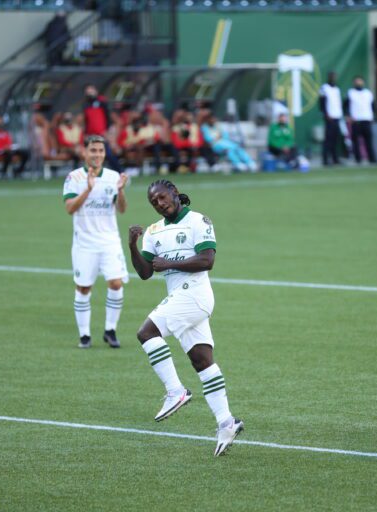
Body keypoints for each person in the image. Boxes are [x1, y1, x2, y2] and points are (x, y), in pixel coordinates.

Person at [128, 179, 244, 456]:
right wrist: (132, 244)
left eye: (162, 197)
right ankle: (227, 422)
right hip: (182, 298)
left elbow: (207, 260)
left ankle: (175, 391)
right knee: (202, 361)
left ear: (175, 194)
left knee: (146, 333)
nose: (159, 204)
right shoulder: (154, 231)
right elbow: (145, 272)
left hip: (195, 294)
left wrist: (169, 263)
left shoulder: (198, 221)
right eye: (153, 202)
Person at [63, 135, 129, 349]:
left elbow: (122, 209)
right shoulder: (73, 178)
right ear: (85, 152)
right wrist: (88, 189)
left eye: (101, 151)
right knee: (83, 288)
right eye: (93, 150)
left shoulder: (112, 177)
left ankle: (110, 330)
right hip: (84, 243)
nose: (97, 155)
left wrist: (120, 191)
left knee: (116, 283)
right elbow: (70, 208)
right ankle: (84, 335)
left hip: (109, 240)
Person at [83, 84, 121, 171]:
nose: (90, 93)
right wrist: (86, 133)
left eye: (91, 91)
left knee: (108, 154)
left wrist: (107, 131)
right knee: (91, 155)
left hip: (102, 134)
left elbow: (107, 117)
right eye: (88, 92)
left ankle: (120, 171)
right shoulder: (85, 105)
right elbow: (87, 121)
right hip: (91, 135)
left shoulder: (102, 102)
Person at [345, 76, 377, 164]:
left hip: (366, 119)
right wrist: (348, 116)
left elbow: (373, 105)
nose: (359, 83)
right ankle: (358, 159)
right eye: (357, 82)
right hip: (356, 120)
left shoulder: (368, 93)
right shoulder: (350, 93)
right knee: (355, 141)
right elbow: (346, 105)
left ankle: (372, 158)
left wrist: (373, 116)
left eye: (360, 81)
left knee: (369, 140)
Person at [319, 71, 344, 166]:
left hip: (337, 116)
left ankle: (335, 159)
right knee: (328, 139)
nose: (334, 78)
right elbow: (321, 103)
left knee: (335, 139)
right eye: (332, 76)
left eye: (335, 76)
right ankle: (325, 159)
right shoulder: (324, 88)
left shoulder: (337, 89)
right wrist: (326, 114)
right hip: (329, 117)